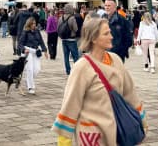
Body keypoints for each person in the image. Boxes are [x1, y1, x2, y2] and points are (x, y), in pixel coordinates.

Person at [52, 17, 146, 145]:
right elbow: (71, 104)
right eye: (106, 33)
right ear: (94, 38)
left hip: (118, 132)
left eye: (110, 32)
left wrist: (141, 121)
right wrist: (64, 141)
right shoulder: (82, 67)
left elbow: (131, 94)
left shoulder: (116, 60)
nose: (111, 36)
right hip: (91, 135)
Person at [18, 17, 49, 95]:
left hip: (36, 51)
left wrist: (45, 50)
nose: (34, 25)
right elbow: (20, 44)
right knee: (30, 70)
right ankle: (30, 87)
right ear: (29, 24)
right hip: (28, 51)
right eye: (33, 23)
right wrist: (24, 49)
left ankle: (29, 78)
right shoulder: (25, 32)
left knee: (37, 70)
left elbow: (41, 41)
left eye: (35, 23)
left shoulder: (37, 31)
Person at [59, 4, 80, 75]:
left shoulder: (60, 18)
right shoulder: (72, 18)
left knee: (66, 56)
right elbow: (76, 29)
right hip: (71, 40)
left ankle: (68, 71)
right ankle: (77, 70)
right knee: (75, 56)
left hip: (64, 40)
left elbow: (57, 29)